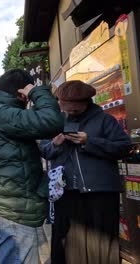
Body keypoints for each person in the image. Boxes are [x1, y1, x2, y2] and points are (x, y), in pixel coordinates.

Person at [0, 69, 64, 263]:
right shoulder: (4, 114)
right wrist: (37, 92)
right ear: (21, 93)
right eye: (27, 94)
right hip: (12, 211)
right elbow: (52, 121)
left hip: (9, 205)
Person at [40, 80, 131, 264]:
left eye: (74, 109)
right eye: (66, 108)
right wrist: (55, 144)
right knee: (66, 245)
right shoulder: (56, 122)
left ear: (86, 103)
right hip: (66, 194)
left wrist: (89, 142)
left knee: (101, 246)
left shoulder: (105, 120)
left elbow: (124, 147)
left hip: (100, 194)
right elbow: (44, 151)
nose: (69, 113)